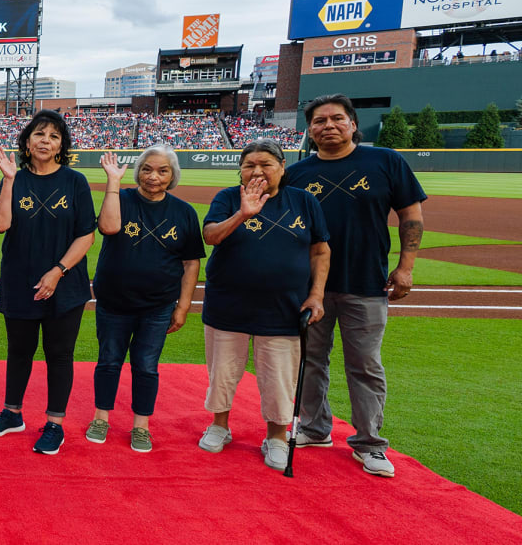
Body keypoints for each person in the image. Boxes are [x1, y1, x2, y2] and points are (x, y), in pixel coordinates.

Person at [284, 94, 426, 478]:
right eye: (319, 121)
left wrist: (406, 267)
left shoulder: (385, 161)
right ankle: (315, 428)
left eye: (336, 119)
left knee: (364, 364)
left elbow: (410, 214)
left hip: (365, 281)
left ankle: (369, 443)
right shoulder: (297, 173)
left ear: (352, 124)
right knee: (311, 361)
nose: (328, 126)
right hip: (311, 285)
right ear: (309, 130)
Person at [199, 139, 330, 472]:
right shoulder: (227, 198)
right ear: (240, 170)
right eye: (249, 165)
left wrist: (316, 295)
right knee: (223, 373)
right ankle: (219, 426)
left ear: (282, 168)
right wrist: (244, 213)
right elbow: (211, 236)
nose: (257, 171)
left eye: (266, 164)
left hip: (284, 308)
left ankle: (275, 436)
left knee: (278, 378)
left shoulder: (303, 200)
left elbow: (320, 251)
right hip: (228, 304)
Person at [0, 110, 96, 455]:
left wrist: (57, 271)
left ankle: (54, 424)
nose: (46, 141)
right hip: (20, 280)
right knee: (19, 351)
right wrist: (10, 180)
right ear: (27, 142)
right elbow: (1, 225)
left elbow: (86, 235)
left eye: (54, 136)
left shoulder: (75, 182)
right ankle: (12, 413)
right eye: (39, 134)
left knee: (59, 354)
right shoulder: (12, 178)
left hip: (65, 282)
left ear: (62, 146)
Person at [86, 147, 204, 453]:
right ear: (138, 171)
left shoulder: (184, 212)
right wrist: (113, 181)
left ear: (172, 175)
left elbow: (191, 262)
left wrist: (183, 305)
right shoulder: (121, 199)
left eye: (162, 171)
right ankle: (101, 418)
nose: (153, 176)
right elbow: (108, 227)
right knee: (109, 361)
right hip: (114, 300)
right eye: (147, 169)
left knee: (146, 366)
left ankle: (141, 425)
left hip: (158, 305)